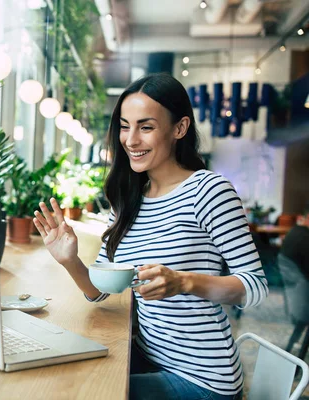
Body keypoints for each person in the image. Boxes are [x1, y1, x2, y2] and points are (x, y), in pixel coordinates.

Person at [33, 73, 267, 400]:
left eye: (146, 127)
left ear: (179, 129)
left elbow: (255, 287)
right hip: (148, 357)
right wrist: (70, 261)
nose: (130, 140)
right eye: (125, 126)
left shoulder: (210, 192)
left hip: (202, 378)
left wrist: (185, 282)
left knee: (86, 393)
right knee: (60, 378)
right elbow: (101, 291)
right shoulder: (131, 198)